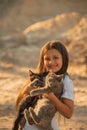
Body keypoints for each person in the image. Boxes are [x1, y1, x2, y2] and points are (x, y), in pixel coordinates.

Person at [16, 40, 74, 130]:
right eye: (47, 59)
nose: (51, 62)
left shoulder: (65, 81)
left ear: (64, 58)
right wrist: (27, 89)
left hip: (47, 126)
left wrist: (52, 98)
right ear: (43, 60)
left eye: (55, 57)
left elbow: (68, 113)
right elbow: (18, 105)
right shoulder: (39, 77)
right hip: (28, 126)